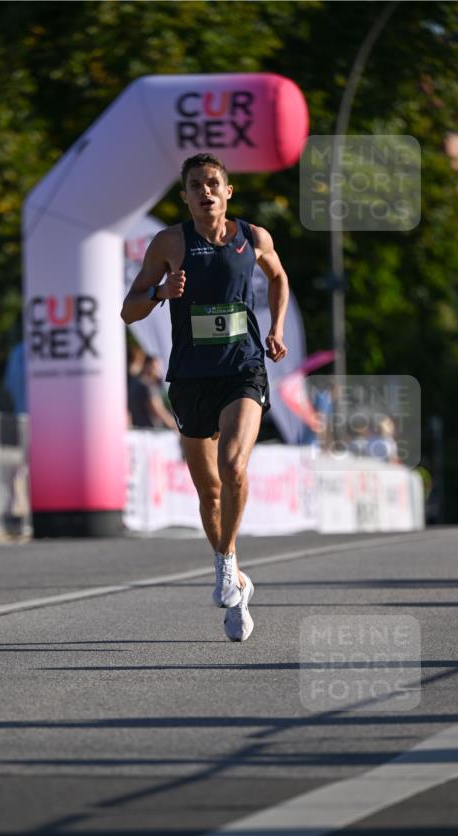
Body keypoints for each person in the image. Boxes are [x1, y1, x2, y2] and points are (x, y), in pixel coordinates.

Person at [121, 154, 289, 641]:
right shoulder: (170, 242)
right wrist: (161, 293)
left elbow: (278, 277)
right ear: (185, 196)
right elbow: (128, 310)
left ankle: (224, 562)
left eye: (212, 183)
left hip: (243, 369)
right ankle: (235, 577)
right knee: (210, 490)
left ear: (228, 191)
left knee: (234, 467)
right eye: (195, 186)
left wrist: (276, 329)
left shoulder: (253, 238)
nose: (205, 192)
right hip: (191, 377)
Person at [129, 354, 176, 430]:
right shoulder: (147, 385)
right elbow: (158, 409)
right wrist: (174, 425)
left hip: (138, 429)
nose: (159, 370)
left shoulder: (135, 382)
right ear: (147, 366)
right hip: (150, 432)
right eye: (156, 367)